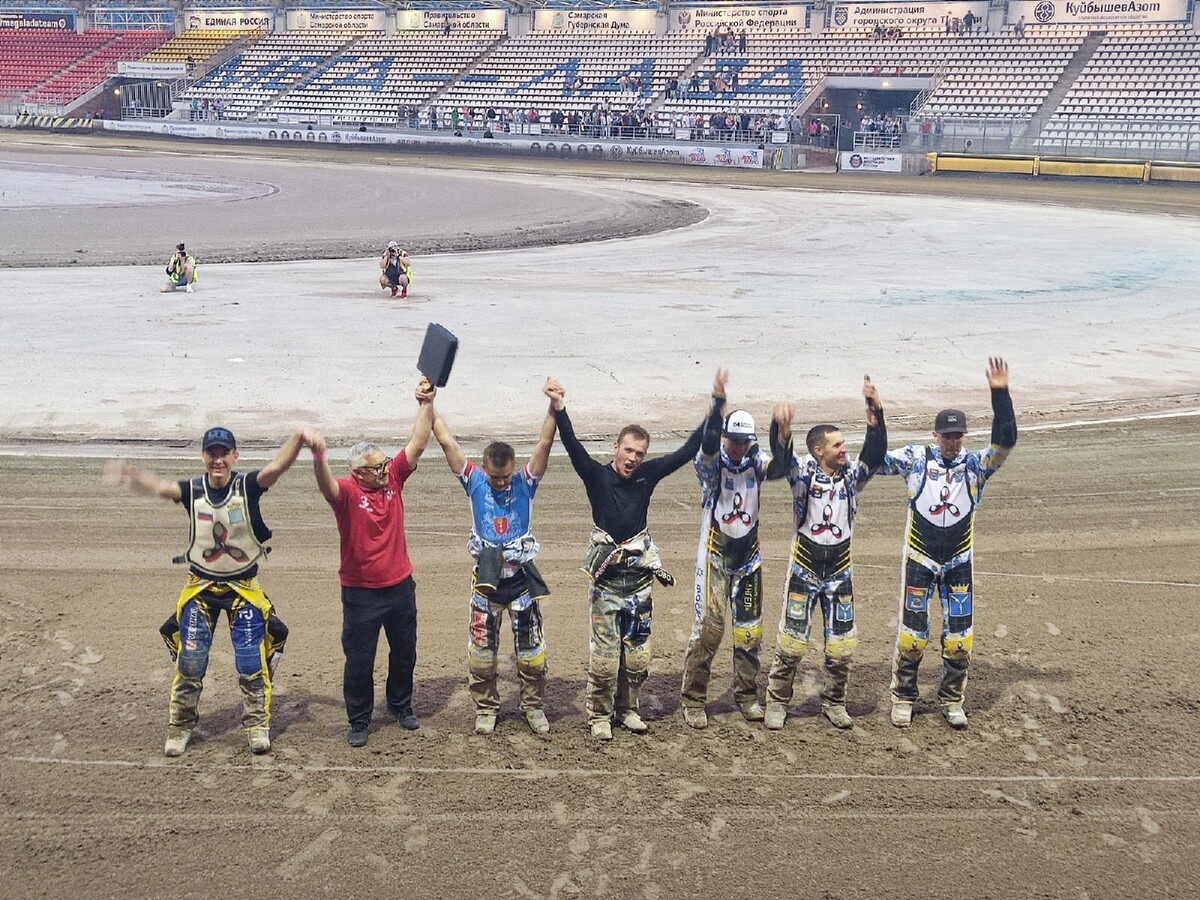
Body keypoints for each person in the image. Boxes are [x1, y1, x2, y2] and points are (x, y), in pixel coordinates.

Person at [102, 427, 319, 757]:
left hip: (242, 591)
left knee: (251, 664)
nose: (218, 459)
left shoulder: (247, 487)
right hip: (200, 590)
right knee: (190, 664)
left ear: (235, 456)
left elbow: (276, 468)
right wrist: (129, 474)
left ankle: (257, 725)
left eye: (223, 453)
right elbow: (159, 487)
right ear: (204, 457)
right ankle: (180, 726)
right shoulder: (192, 491)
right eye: (211, 453)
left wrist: (300, 438)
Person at [551, 378, 716, 740]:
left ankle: (628, 710)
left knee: (638, 656)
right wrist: (560, 407)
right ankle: (599, 715)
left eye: (639, 454)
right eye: (628, 451)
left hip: (639, 583)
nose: (633, 459)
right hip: (608, 585)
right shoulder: (595, 476)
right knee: (606, 659)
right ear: (616, 448)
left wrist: (714, 410)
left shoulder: (647, 476)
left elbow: (686, 452)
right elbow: (573, 446)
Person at [878, 358, 1016, 730]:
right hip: (919, 561)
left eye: (958, 436)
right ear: (935, 434)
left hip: (958, 562)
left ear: (964, 437)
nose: (953, 442)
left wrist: (1000, 393)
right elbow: (874, 461)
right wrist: (877, 416)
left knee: (958, 640)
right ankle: (903, 697)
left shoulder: (975, 466)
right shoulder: (916, 459)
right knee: (912, 637)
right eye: (947, 435)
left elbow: (1005, 441)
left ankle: (952, 699)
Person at [311, 379, 436, 747]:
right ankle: (360, 718)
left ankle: (401, 706)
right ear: (358, 472)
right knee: (360, 660)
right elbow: (325, 486)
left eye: (385, 465)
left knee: (405, 653)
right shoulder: (347, 492)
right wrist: (318, 457)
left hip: (400, 587)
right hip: (361, 594)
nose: (384, 471)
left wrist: (425, 403)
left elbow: (418, 442)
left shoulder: (393, 479)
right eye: (377, 468)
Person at [431, 382, 559, 735]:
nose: (501, 483)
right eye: (495, 477)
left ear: (513, 470)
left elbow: (545, 443)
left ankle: (533, 707)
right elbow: (445, 441)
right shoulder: (474, 482)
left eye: (505, 477)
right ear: (484, 468)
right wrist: (428, 404)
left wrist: (554, 407)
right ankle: (486, 709)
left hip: (520, 584)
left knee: (532, 656)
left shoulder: (526, 482)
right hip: (486, 584)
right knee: (482, 656)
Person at [762, 380, 886, 731]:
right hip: (804, 567)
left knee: (843, 646)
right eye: (838, 445)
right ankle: (777, 701)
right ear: (819, 450)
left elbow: (875, 456)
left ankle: (834, 702)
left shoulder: (851, 477)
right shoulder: (802, 472)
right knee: (791, 643)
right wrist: (780, 430)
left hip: (840, 571)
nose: (845, 450)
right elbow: (782, 459)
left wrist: (876, 416)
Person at [680, 370, 770, 728]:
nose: (737, 447)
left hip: (749, 559)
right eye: (732, 440)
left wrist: (783, 433)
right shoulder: (710, 466)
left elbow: (778, 465)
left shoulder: (756, 464)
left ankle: (747, 696)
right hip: (715, 557)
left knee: (750, 632)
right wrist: (718, 402)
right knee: (709, 630)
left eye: (743, 442)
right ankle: (693, 699)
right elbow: (705, 446)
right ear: (724, 437)